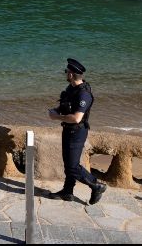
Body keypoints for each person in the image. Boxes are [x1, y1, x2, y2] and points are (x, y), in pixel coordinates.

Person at [47, 58, 107, 205]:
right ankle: (68, 191)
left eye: (67, 72)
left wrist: (56, 117)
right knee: (68, 164)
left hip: (77, 132)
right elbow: (66, 106)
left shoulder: (83, 94)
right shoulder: (70, 89)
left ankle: (96, 185)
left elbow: (76, 118)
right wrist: (57, 110)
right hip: (68, 130)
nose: (65, 74)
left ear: (72, 74)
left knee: (73, 166)